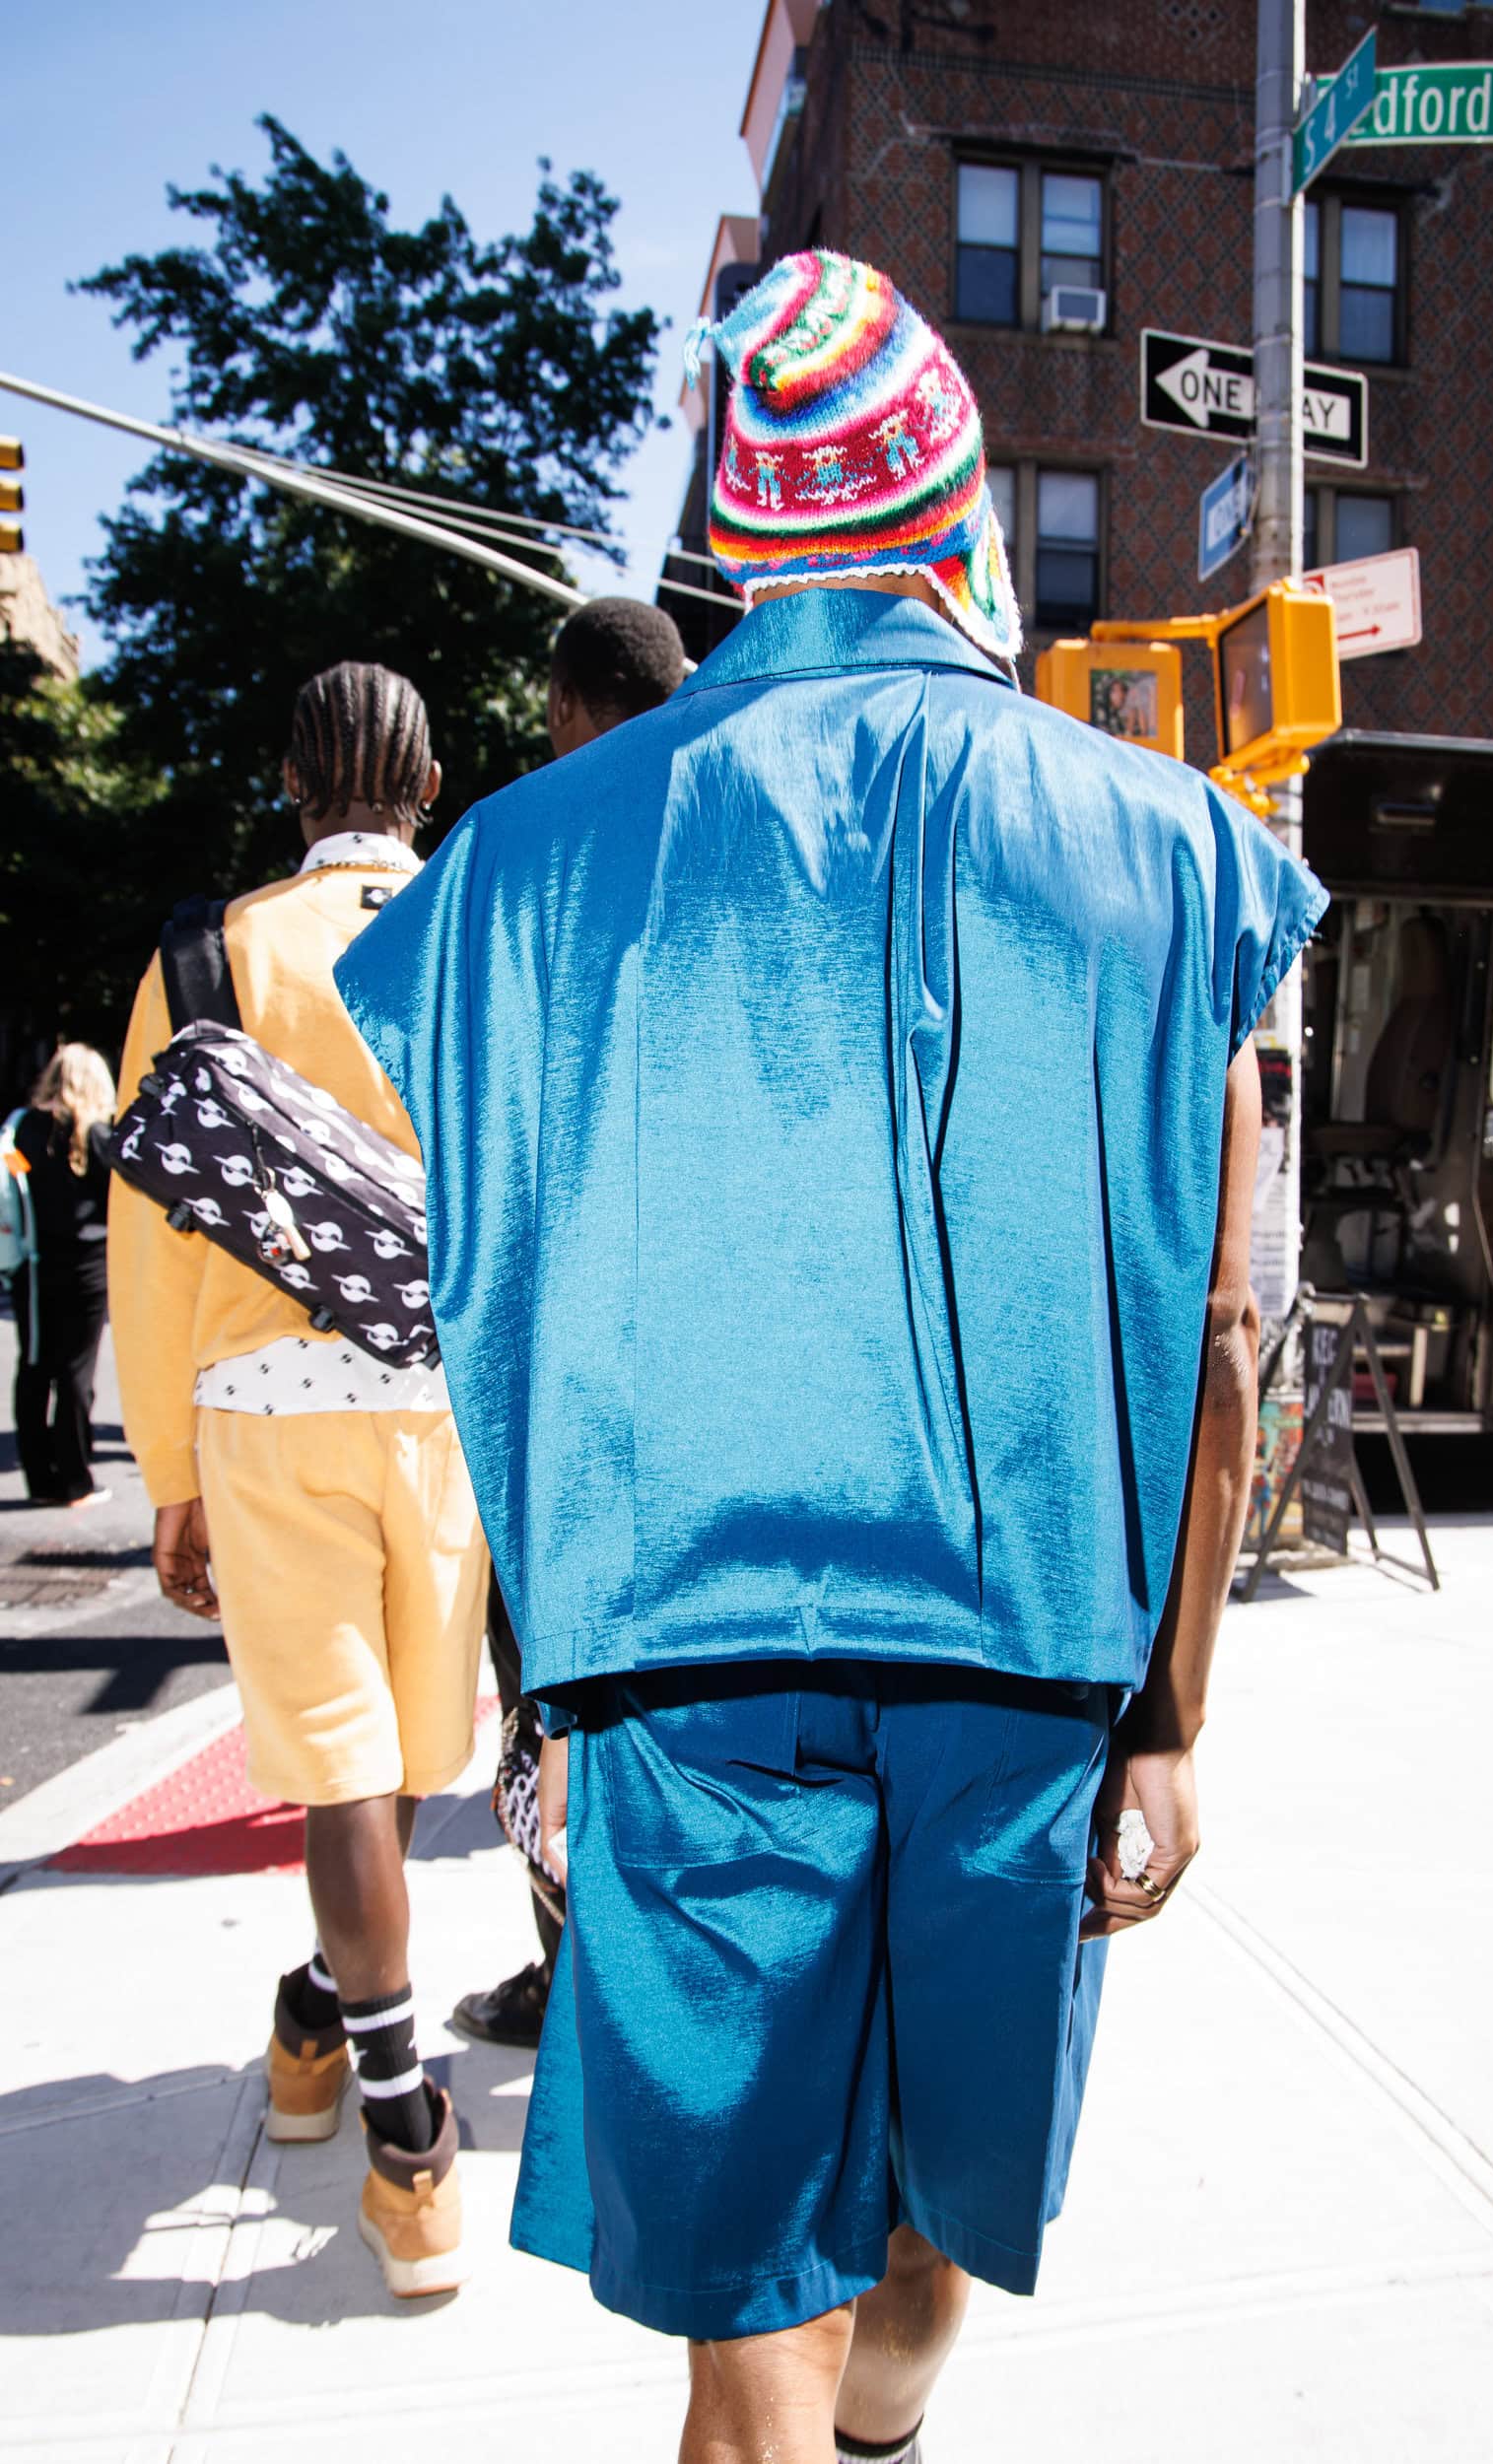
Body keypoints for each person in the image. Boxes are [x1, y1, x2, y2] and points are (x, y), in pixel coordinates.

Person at [337, 250, 1325, 2461]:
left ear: (743, 533)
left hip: (683, 1664)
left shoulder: (523, 864)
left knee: (745, 2285)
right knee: (926, 2221)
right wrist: (1171, 1715)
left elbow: (507, 1293)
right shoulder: (1175, 851)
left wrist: (540, 1690)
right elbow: (1218, 1337)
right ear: (963, 519)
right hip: (1025, 1659)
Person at [108, 661, 489, 2301]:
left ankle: (344, 2056)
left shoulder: (208, 956)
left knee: (349, 1770)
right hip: (445, 1405)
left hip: (259, 1411)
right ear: (427, 784)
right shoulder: (480, 932)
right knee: (393, 1764)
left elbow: (150, 1232)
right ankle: (392, 2112)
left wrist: (168, 1473)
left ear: (287, 780)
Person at [451, 595, 687, 2054]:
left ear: (561, 710)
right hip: (715, 1359)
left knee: (550, 1680)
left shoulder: (531, 855)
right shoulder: (742, 830)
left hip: (568, 1365)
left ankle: (577, 1978)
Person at [8, 1045, 117, 1506]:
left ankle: (40, 1478)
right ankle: (75, 1479)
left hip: (31, 1264)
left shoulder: (22, 1128)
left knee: (35, 1367)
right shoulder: (98, 1135)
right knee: (76, 1371)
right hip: (88, 1267)